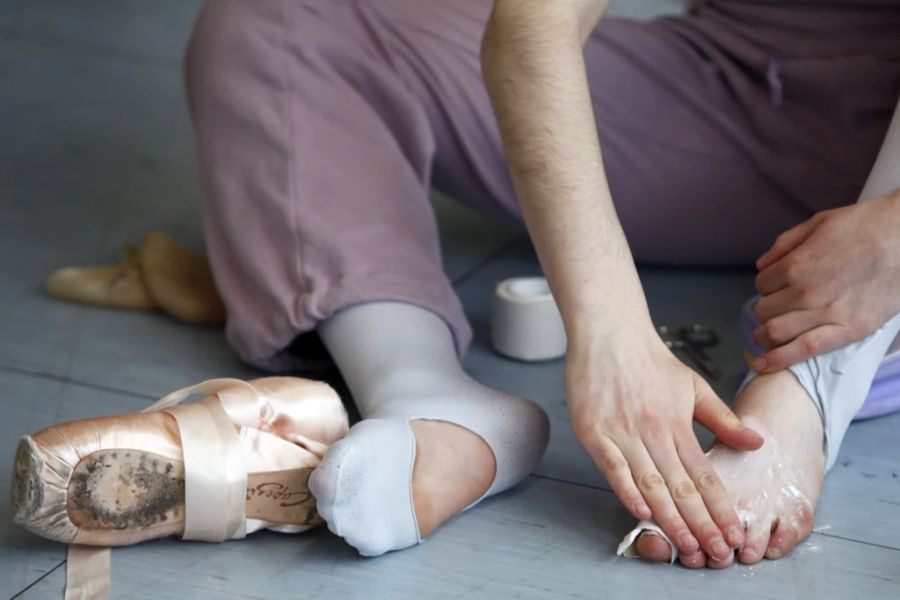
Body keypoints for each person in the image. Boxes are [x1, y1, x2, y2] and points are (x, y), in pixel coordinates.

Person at [183, 0, 900, 566]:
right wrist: (613, 330)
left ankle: (807, 390)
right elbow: (536, 20)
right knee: (284, 19)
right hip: (747, 82)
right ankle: (429, 399)